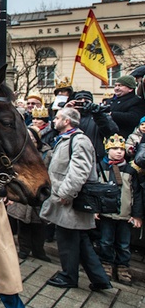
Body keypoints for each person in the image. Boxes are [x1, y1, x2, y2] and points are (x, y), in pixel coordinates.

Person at [40, 107, 112, 291]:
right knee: (81, 241)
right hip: (66, 198)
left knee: (67, 240)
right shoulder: (67, 139)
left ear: (67, 121)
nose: (54, 120)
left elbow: (79, 171)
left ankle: (69, 276)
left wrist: (66, 194)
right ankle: (100, 279)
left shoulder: (79, 140)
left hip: (70, 200)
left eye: (57, 118)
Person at [97, 134, 143, 285]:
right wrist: (95, 210)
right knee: (105, 241)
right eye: (115, 149)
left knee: (124, 244)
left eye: (121, 149)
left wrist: (137, 215)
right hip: (106, 214)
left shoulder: (130, 171)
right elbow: (95, 191)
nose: (119, 152)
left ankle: (123, 267)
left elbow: (136, 194)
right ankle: (106, 264)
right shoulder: (100, 168)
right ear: (107, 150)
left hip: (125, 215)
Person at [7, 126, 52, 262]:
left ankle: (39, 250)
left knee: (39, 225)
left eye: (32, 138)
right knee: (23, 224)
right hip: (23, 192)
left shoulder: (47, 153)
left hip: (40, 192)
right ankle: (24, 249)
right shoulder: (18, 152)